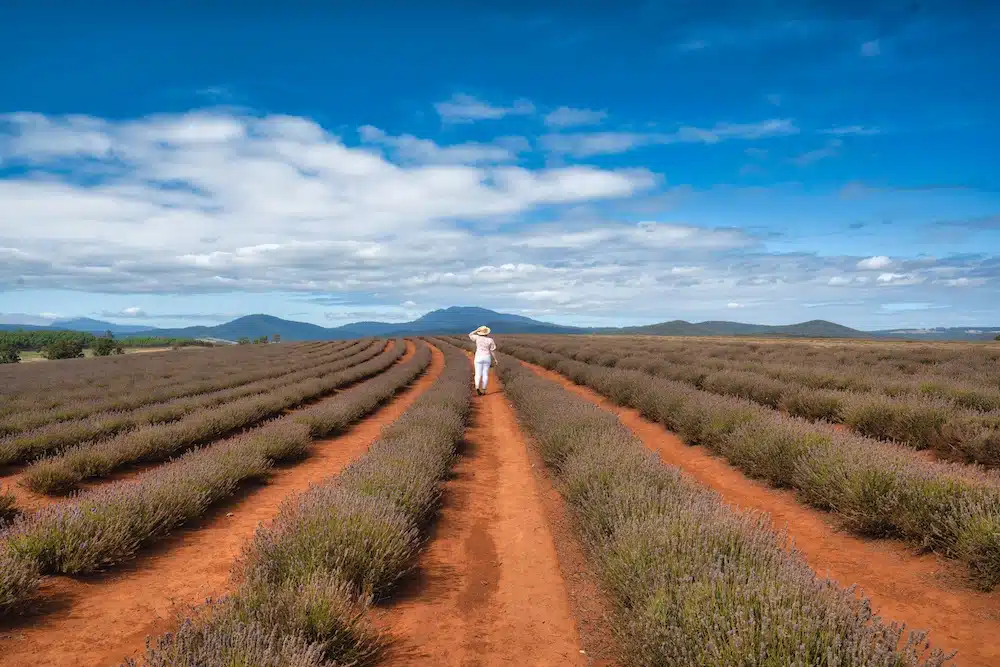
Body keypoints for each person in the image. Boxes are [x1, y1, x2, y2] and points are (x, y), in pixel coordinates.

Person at [469, 325, 498, 395]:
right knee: (485, 374)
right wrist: (495, 359)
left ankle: (477, 387)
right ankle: (484, 390)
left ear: (480, 332)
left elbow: (470, 334)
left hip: (478, 357)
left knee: (477, 374)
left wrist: (476, 330)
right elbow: (492, 351)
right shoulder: (490, 340)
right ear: (487, 333)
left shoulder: (477, 338)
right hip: (487, 357)